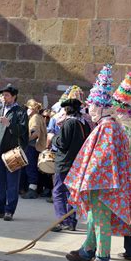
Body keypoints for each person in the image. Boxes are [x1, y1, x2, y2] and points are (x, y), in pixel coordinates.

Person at [64, 64, 131, 261]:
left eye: (93, 106)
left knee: (101, 219)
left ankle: (102, 258)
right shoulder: (108, 126)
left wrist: (87, 181)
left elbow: (102, 160)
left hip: (102, 184)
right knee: (95, 217)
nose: (89, 109)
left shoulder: (108, 127)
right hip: (100, 182)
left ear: (103, 107)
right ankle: (88, 249)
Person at [111, 72, 131, 261]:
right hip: (130, 180)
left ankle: (96, 250)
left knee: (101, 214)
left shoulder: (120, 130)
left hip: (120, 178)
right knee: (127, 216)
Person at [0, 84, 28, 221]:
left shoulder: (20, 112)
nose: (4, 98)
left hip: (13, 153)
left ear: (14, 96)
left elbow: (23, 132)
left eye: (7, 95)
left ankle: (9, 211)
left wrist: (9, 124)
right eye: (3, 95)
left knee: (12, 183)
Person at [50, 98, 90, 232]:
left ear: (67, 109)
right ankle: (71, 221)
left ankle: (63, 221)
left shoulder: (69, 123)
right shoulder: (85, 124)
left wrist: (53, 138)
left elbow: (62, 143)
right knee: (72, 194)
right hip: (78, 164)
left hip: (65, 163)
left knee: (58, 192)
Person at [22, 99, 47, 199]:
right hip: (36, 147)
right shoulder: (38, 117)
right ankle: (36, 188)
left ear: (32, 109)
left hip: (32, 146)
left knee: (30, 168)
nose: (27, 110)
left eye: (28, 108)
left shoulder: (35, 118)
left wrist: (26, 140)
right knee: (33, 168)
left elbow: (35, 133)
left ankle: (32, 190)